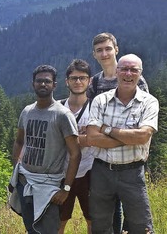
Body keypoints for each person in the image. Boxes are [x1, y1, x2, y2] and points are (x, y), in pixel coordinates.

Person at [86, 54, 158, 233]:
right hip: (101, 171)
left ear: (140, 74)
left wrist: (108, 130)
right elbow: (93, 138)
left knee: (141, 225)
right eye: (124, 69)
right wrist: (129, 139)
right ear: (117, 71)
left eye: (134, 70)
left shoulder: (149, 102)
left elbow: (143, 136)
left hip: (133, 172)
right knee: (100, 225)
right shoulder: (100, 100)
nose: (128, 73)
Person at [9, 65, 80, 233]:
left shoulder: (62, 115)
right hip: (25, 181)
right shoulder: (27, 111)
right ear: (33, 84)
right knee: (31, 229)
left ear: (54, 85)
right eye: (39, 81)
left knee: (47, 230)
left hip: (49, 186)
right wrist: (16, 169)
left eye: (47, 81)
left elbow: (75, 153)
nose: (43, 84)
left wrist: (66, 189)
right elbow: (19, 141)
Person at [58, 59, 94, 234]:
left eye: (82, 78)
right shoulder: (57, 108)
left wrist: (67, 139)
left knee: (92, 218)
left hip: (90, 171)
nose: (78, 82)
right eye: (73, 78)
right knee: (59, 220)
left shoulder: (96, 107)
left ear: (90, 80)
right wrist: (86, 138)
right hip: (61, 173)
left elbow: (99, 139)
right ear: (67, 81)